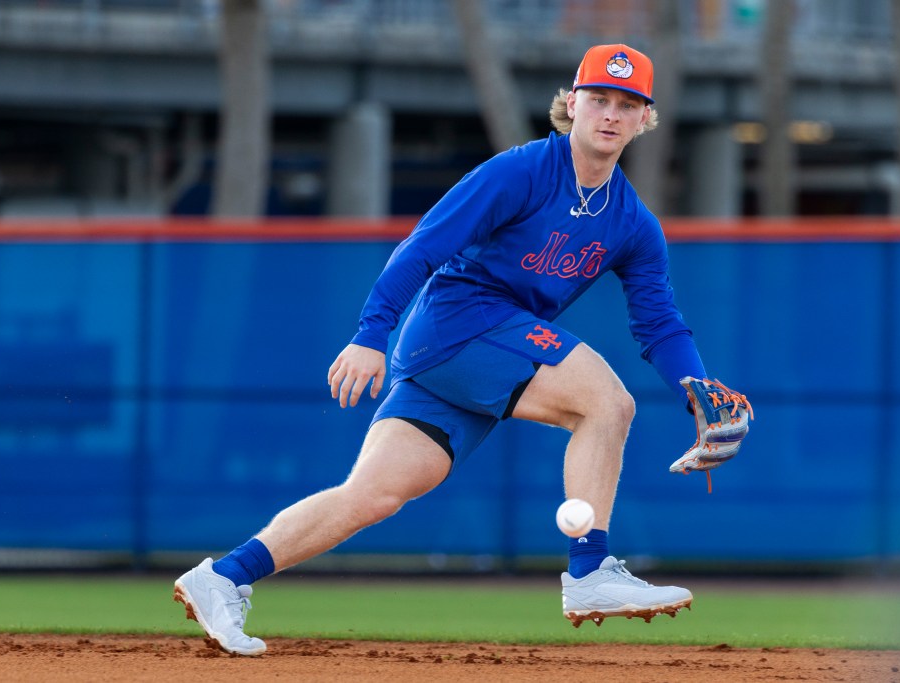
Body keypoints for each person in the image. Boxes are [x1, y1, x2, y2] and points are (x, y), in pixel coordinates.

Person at [173, 43, 752, 656]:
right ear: (571, 105)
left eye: (626, 104)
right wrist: (371, 333)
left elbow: (659, 323)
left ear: (643, 119)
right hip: (457, 323)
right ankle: (589, 572)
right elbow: (423, 246)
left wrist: (695, 386)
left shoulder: (632, 223)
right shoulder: (520, 172)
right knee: (606, 402)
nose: (610, 114)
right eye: (598, 99)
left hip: (476, 353)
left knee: (371, 496)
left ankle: (222, 578)